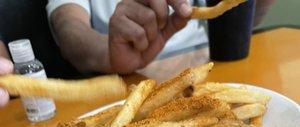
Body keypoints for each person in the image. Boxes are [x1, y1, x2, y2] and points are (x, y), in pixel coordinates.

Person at [48, 0, 275, 75]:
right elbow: (69, 27)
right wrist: (108, 54)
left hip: (206, 63)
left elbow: (239, 20)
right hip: (126, 79)